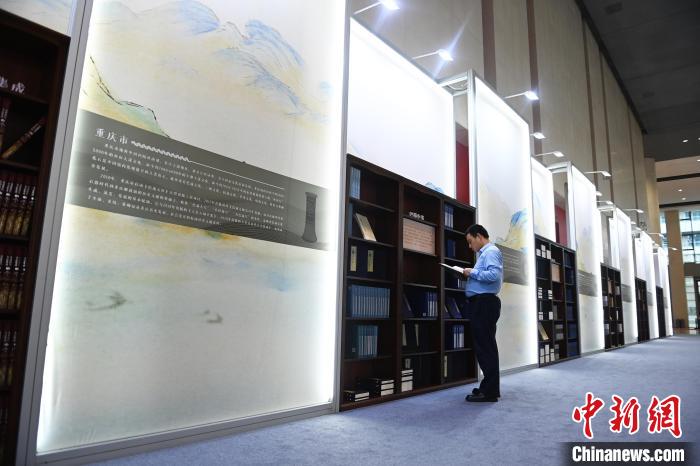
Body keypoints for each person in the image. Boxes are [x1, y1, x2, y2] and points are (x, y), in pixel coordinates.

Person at [462, 224, 503, 402]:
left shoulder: (491, 252)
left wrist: (472, 272)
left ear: (479, 236)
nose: (470, 246)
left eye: (470, 241)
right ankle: (488, 387)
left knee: (486, 348)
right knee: (485, 347)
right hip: (482, 304)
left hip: (484, 304)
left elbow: (494, 275)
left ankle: (490, 392)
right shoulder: (485, 254)